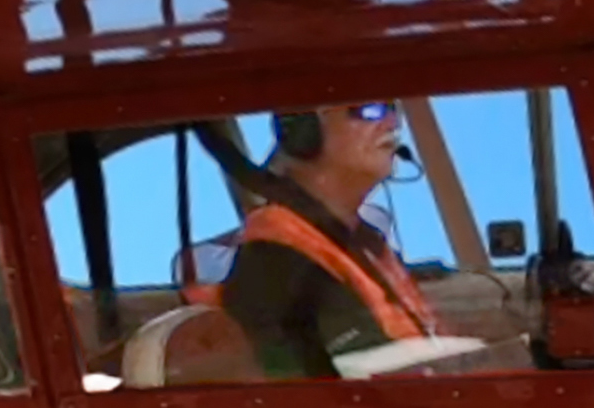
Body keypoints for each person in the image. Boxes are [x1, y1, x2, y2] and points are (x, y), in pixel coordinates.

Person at [180, 103, 450, 377]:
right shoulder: (278, 262)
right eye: (369, 109)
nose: (393, 122)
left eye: (393, 109)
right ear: (304, 132)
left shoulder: (363, 243)